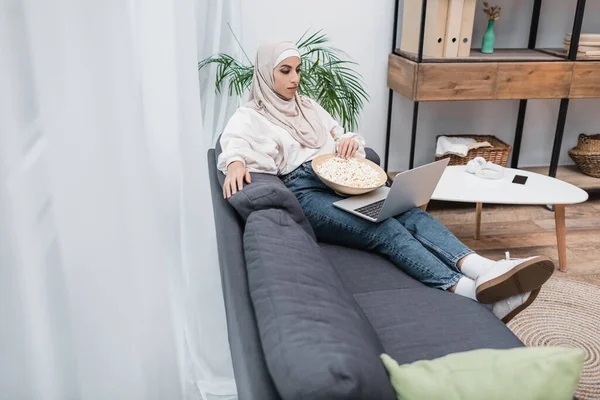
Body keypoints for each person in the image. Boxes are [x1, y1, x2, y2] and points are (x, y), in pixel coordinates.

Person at [217, 41, 553, 323]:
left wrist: (347, 142)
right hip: (305, 192)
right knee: (384, 227)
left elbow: (340, 132)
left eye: (298, 69)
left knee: (410, 212)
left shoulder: (306, 106)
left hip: (340, 176)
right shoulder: (252, 115)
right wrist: (234, 163)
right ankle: (470, 293)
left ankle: (485, 269)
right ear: (265, 73)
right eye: (285, 71)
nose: (295, 79)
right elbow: (233, 144)